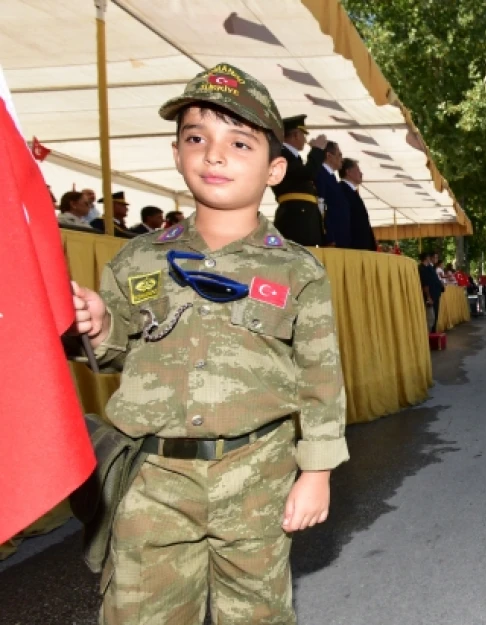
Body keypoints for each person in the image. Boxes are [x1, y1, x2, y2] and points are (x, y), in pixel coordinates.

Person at [69, 62, 348, 624]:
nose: (214, 155)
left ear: (273, 169)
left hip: (256, 475)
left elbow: (321, 379)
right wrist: (98, 324)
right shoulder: (137, 258)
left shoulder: (298, 271)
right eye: (197, 138)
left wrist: (316, 473)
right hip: (153, 478)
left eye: (239, 143)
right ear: (177, 154)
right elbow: (118, 349)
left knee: (257, 613)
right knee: (140, 612)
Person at [272, 114, 328, 246]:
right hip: (295, 215)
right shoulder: (281, 154)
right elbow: (307, 174)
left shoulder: (292, 156)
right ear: (296, 135)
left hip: (302, 214)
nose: (305, 139)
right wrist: (317, 150)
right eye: (304, 135)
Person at [338, 157, 378, 251]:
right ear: (348, 172)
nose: (361, 173)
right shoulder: (341, 190)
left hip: (363, 246)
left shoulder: (352, 192)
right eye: (358, 170)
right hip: (353, 246)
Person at [419, 251, 445, 332]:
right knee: (431, 317)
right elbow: (425, 284)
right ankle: (430, 334)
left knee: (434, 316)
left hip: (435, 294)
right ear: (426, 258)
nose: (431, 259)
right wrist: (428, 297)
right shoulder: (423, 268)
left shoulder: (429, 267)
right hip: (431, 296)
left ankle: (433, 333)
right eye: (430, 257)